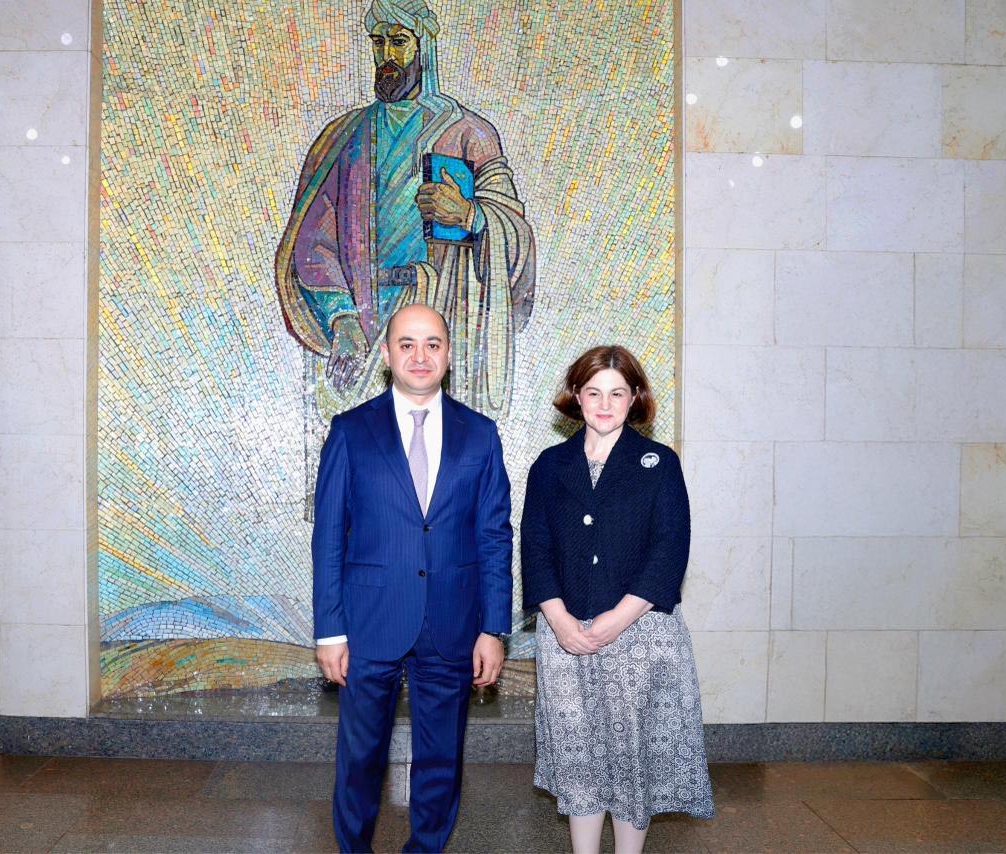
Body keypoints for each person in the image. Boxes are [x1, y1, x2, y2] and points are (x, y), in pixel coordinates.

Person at [312, 303, 514, 852]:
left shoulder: (481, 435)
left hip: (453, 624)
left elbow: (494, 536)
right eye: (406, 344)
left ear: (449, 354)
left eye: (432, 344)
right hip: (368, 624)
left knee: (441, 761)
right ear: (386, 354)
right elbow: (328, 538)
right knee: (359, 760)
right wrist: (329, 631)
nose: (419, 356)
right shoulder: (350, 432)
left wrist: (493, 628)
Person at [275, 0, 536, 420]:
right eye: (378, 42)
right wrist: (342, 318)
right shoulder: (346, 138)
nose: (387, 56)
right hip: (364, 323)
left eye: (399, 41)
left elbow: (517, 239)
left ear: (423, 46)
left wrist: (470, 216)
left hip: (441, 320)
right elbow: (312, 244)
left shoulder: (468, 134)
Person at [520, 345, 714, 854]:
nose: (604, 405)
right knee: (578, 757)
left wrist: (617, 619)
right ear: (576, 396)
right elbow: (535, 546)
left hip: (640, 634)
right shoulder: (550, 465)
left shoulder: (659, 463)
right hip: (565, 636)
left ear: (634, 398)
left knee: (633, 760)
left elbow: (669, 549)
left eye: (617, 393)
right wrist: (560, 620)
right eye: (593, 392)